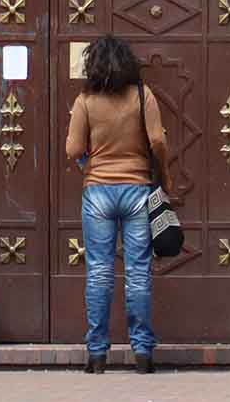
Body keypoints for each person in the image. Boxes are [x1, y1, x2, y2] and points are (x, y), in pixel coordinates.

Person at [65, 35, 174, 374]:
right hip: (138, 189)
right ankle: (142, 352)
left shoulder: (85, 101)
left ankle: (97, 354)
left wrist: (88, 164)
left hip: (98, 191)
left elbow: (72, 149)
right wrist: (163, 176)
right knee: (138, 272)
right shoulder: (143, 96)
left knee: (99, 272)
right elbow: (157, 140)